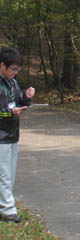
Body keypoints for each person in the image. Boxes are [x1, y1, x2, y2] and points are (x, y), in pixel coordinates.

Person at [0, 47, 35, 223]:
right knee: (4, 174)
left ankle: (5, 204)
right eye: (13, 69)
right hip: (1, 136)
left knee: (10, 173)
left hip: (13, 134)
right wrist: (9, 113)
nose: (15, 72)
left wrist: (27, 97)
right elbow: (5, 109)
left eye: (17, 69)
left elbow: (18, 100)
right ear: (2, 65)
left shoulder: (12, 82)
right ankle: (8, 210)